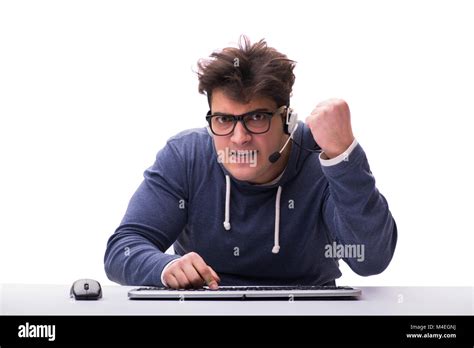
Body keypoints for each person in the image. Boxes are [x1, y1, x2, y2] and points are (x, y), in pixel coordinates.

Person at [104, 36, 397, 289]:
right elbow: (123, 249)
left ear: (287, 120)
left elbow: (370, 259)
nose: (239, 137)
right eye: (224, 120)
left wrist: (344, 157)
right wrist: (164, 268)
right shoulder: (185, 156)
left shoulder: (323, 155)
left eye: (256, 117)